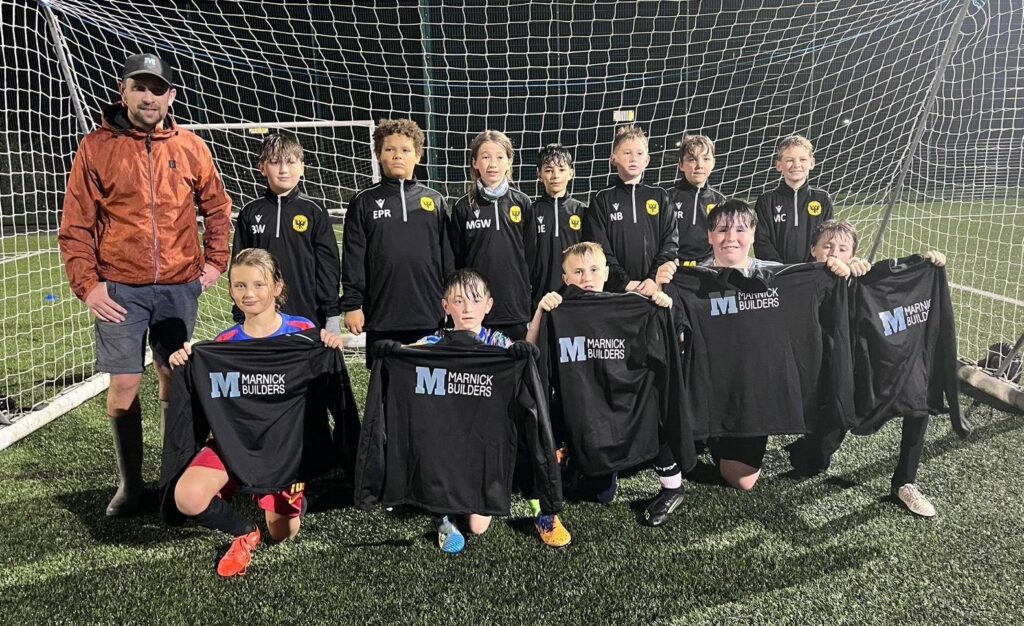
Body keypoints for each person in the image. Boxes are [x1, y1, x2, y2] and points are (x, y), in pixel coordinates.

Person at [58, 53, 232, 517]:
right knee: (124, 384)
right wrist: (89, 286)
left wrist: (215, 263)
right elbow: (75, 225)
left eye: (158, 89)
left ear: (171, 96)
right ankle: (131, 486)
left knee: (174, 379)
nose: (149, 97)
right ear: (124, 92)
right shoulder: (96, 147)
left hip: (178, 287)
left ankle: (172, 480)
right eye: (140, 87)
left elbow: (217, 208)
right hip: (120, 289)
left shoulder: (191, 146)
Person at [168, 248, 344, 577]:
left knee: (283, 533)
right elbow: (209, 395)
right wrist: (188, 361)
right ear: (231, 290)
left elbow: (323, 385)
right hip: (236, 443)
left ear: (277, 287)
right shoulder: (224, 343)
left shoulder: (303, 332)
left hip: (283, 449)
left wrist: (328, 345)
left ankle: (292, 489)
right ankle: (245, 532)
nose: (248, 294)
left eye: (258, 285)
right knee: (188, 497)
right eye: (240, 285)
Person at [658, 200, 850, 491]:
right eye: (722, 230)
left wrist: (844, 270)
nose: (731, 238)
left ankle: (720, 439)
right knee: (682, 446)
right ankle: (708, 434)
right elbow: (670, 333)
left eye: (740, 230)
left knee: (743, 481)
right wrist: (662, 286)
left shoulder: (779, 276)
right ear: (709, 236)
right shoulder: (690, 281)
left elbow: (824, 297)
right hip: (711, 387)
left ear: (752, 234)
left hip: (753, 397)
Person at [787, 218, 947, 517]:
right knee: (817, 455)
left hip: (870, 366)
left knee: (918, 398)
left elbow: (888, 280)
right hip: (832, 371)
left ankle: (905, 482)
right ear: (812, 250)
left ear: (853, 254)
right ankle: (810, 450)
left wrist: (925, 263)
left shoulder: (860, 276)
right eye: (827, 246)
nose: (834, 253)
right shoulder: (801, 279)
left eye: (843, 249)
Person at [415, 269, 571, 553]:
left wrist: (538, 312)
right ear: (445, 306)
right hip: (451, 441)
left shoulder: (498, 343)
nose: (467, 308)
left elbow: (527, 352)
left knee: (478, 526)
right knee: (429, 444)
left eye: (475, 300)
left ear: (488, 305)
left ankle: (541, 510)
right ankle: (444, 515)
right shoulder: (433, 344)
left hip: (489, 440)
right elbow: (408, 355)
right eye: (459, 301)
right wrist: (392, 351)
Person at [527, 243, 679, 524]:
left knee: (655, 400)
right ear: (565, 279)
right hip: (585, 409)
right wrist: (539, 312)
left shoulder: (629, 305)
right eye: (578, 272)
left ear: (607, 273)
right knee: (600, 495)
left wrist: (661, 308)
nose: (587, 278)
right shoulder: (558, 309)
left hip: (622, 405)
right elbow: (531, 354)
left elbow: (664, 349)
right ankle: (575, 458)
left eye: (594, 270)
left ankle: (672, 486)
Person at [340, 118, 452, 367]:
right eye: (389, 149)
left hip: (428, 314)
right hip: (382, 316)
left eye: (405, 150)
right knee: (384, 383)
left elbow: (448, 260)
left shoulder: (435, 201)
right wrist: (353, 305)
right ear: (378, 155)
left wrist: (452, 303)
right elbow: (353, 258)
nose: (397, 155)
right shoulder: (364, 201)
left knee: (428, 382)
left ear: (418, 156)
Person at [232, 133, 342, 333]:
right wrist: (240, 312)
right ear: (262, 168)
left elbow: (328, 266)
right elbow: (239, 266)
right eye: (275, 162)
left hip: (308, 313)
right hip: (260, 315)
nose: (283, 170)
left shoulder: (314, 211)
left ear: (302, 168)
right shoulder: (250, 212)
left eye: (291, 162)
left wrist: (331, 313)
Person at [447, 130, 533, 340]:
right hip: (475, 309)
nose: (493, 164)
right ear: (475, 163)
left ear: (509, 162)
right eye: (485, 157)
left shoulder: (522, 202)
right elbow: (457, 259)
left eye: (500, 157)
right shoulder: (463, 207)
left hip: (515, 306)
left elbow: (531, 256)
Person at [583, 124, 678, 295]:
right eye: (627, 153)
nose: (634, 158)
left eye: (639, 153)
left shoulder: (661, 196)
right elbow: (598, 248)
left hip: (655, 289)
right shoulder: (602, 198)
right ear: (614, 158)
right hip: (616, 292)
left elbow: (670, 243)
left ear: (647, 160)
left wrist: (654, 278)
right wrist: (624, 282)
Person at [753, 134, 834, 263]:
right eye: (789, 160)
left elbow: (827, 238)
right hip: (777, 271)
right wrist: (780, 268)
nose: (796, 165)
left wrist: (811, 266)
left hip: (813, 270)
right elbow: (761, 241)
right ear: (779, 165)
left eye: (802, 159)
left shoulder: (822, 199)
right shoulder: (766, 201)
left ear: (812, 163)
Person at [527, 143, 585, 308]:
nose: (555, 176)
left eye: (561, 169)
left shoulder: (581, 211)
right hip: (540, 296)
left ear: (571, 173)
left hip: (575, 295)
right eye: (548, 170)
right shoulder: (531, 212)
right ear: (539, 174)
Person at [666, 135, 725, 266]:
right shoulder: (667, 196)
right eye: (692, 159)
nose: (699, 165)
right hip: (673, 265)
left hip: (708, 266)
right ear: (681, 165)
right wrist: (668, 258)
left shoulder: (719, 200)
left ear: (713, 163)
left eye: (706, 159)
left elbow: (722, 238)